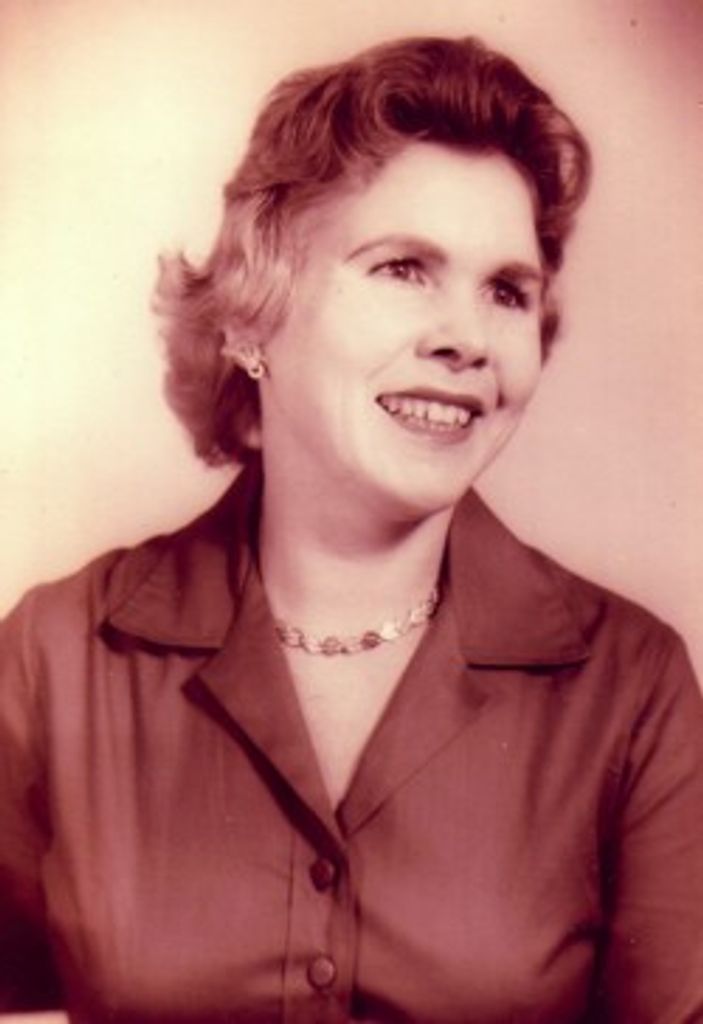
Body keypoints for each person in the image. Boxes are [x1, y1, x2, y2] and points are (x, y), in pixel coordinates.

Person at [1, 33, 702, 1024]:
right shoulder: (58, 657)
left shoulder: (631, 688)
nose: (467, 337)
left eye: (506, 291)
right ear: (250, 317)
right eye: (403, 268)